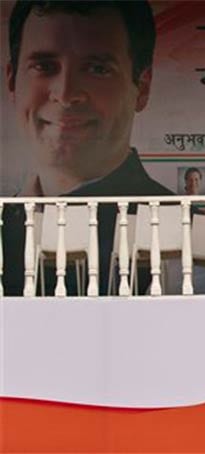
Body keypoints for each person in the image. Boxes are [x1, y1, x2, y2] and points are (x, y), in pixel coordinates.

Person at [2, 0, 172, 296]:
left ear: (142, 88)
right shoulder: (5, 226)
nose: (66, 94)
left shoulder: (183, 229)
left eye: (97, 68)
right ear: (12, 81)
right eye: (44, 66)